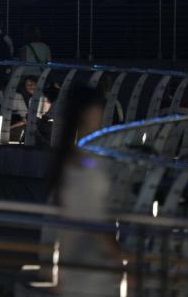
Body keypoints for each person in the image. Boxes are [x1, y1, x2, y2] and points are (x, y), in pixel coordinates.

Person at [47, 84, 123, 295]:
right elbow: (94, 219)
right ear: (88, 112)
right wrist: (119, 259)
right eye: (98, 108)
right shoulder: (85, 163)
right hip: (93, 263)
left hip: (72, 258)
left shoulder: (66, 158)